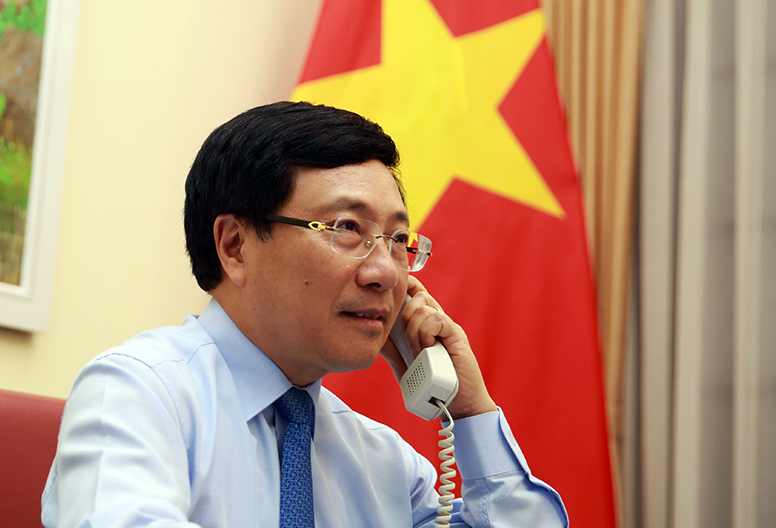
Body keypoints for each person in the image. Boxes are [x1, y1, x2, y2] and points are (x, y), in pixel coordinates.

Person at [41, 101, 568, 527]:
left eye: (398, 239)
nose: (386, 272)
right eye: (347, 228)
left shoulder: (385, 464)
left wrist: (470, 410)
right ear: (235, 246)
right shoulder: (137, 394)